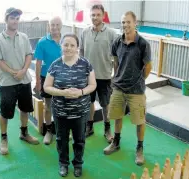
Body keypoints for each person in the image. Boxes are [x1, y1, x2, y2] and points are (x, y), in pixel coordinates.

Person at [103, 11, 152, 166]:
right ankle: (116, 142)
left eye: (128, 22)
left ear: (135, 22)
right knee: (117, 116)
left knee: (140, 120)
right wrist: (117, 76)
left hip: (136, 90)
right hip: (118, 87)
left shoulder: (143, 44)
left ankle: (139, 148)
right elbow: (116, 62)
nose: (125, 25)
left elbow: (148, 66)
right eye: (123, 22)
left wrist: (140, 79)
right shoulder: (117, 42)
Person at [44, 33, 96, 177]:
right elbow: (46, 87)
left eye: (72, 45)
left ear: (77, 47)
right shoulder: (55, 65)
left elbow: (93, 85)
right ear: (61, 46)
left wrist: (81, 92)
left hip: (80, 111)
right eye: (65, 44)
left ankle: (78, 164)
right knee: (61, 140)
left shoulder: (86, 64)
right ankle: (63, 164)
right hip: (60, 112)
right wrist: (62, 92)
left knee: (80, 140)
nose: (68, 48)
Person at [0, 7, 40, 155]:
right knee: (5, 112)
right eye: (12, 18)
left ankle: (24, 133)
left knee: (25, 109)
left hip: (24, 80)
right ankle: (4, 138)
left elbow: (28, 55)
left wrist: (24, 71)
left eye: (17, 18)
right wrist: (14, 72)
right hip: (7, 82)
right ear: (6, 19)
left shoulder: (24, 37)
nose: (15, 21)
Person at [79, 4, 118, 143]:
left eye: (98, 14)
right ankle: (89, 126)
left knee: (105, 103)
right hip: (88, 76)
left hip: (105, 76)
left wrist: (115, 75)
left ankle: (107, 128)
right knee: (89, 102)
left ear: (103, 15)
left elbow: (116, 56)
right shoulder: (84, 32)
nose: (95, 17)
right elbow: (81, 53)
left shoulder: (112, 33)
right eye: (93, 15)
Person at [34, 16, 63, 145]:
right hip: (47, 78)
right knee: (48, 106)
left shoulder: (66, 40)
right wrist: (38, 81)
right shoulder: (42, 42)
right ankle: (49, 131)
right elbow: (38, 64)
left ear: (61, 26)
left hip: (63, 77)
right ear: (48, 26)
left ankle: (62, 130)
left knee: (63, 105)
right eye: (52, 25)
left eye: (57, 25)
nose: (55, 27)